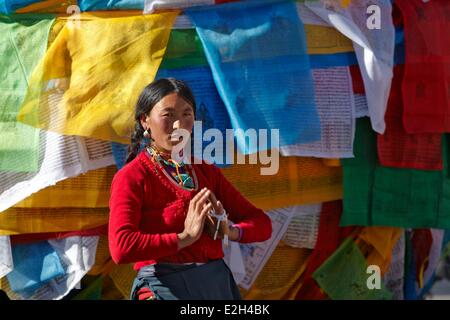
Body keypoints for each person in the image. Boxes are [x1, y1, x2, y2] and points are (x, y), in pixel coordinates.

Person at [108, 78, 272, 300]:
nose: (178, 125)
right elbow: (121, 247)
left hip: (214, 284)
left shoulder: (206, 172)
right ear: (145, 120)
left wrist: (229, 231)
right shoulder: (132, 177)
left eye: (186, 114)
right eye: (168, 115)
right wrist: (184, 237)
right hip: (163, 285)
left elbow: (261, 223)